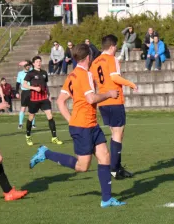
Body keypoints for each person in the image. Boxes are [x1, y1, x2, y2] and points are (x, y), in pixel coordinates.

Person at [29, 43, 126, 208]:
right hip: (83, 128)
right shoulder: (84, 74)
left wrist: (71, 120)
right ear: (88, 57)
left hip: (90, 125)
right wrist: (109, 94)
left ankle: (106, 199)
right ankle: (46, 153)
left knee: (105, 157)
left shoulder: (72, 75)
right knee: (82, 166)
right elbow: (91, 99)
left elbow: (60, 101)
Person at [90, 35, 137, 180]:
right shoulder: (112, 59)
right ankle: (115, 169)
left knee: (116, 133)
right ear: (112, 46)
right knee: (118, 133)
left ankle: (117, 167)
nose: (116, 49)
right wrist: (131, 84)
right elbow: (115, 77)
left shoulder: (95, 62)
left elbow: (92, 81)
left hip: (103, 101)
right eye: (116, 46)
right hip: (114, 99)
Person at [23, 56, 63, 147]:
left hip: (44, 98)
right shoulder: (30, 73)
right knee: (31, 117)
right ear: (33, 63)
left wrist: (49, 95)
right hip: (34, 99)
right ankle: (28, 136)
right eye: (37, 61)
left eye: (40, 61)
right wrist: (33, 88)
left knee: (50, 116)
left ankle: (54, 137)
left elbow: (45, 85)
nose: (39, 63)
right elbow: (24, 85)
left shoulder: (44, 73)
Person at [16, 61, 35, 130]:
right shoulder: (20, 73)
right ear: (24, 66)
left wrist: (27, 62)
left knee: (32, 108)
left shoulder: (32, 72)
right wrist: (17, 92)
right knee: (23, 108)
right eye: (26, 65)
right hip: (24, 92)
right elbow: (18, 83)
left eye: (28, 65)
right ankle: (20, 124)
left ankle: (33, 124)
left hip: (32, 91)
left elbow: (32, 65)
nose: (28, 66)